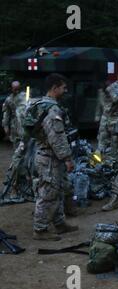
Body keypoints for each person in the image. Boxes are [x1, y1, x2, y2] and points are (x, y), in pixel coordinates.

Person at [31, 74, 78, 241]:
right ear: (55, 88)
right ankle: (40, 229)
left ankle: (59, 223)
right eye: (63, 87)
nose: (65, 91)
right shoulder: (52, 109)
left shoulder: (41, 104)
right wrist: (67, 158)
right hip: (49, 157)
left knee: (57, 190)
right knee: (48, 192)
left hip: (48, 155)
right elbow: (57, 137)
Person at [2, 81, 26, 149]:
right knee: (16, 145)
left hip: (24, 123)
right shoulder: (8, 99)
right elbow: (6, 113)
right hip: (14, 125)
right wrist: (5, 126)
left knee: (25, 144)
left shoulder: (25, 96)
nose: (17, 91)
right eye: (15, 89)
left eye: (18, 89)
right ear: (11, 89)